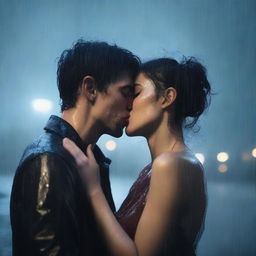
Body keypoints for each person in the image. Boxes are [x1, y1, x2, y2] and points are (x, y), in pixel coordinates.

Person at [63, 57, 211, 256]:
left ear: (167, 98)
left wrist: (93, 190)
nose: (128, 103)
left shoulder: (170, 164)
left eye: (136, 93)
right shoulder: (171, 163)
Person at [10, 39, 140, 256]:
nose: (131, 104)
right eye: (126, 92)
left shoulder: (87, 158)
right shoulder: (48, 160)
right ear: (90, 88)